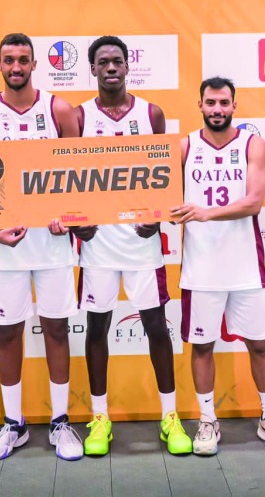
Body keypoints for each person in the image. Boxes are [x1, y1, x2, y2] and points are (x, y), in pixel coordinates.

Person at [0, 32, 84, 462]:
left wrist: (68, 217)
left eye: (23, 60)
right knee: (9, 330)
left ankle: (59, 420)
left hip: (51, 243)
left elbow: (78, 174)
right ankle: (13, 424)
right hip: (6, 245)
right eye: (8, 60)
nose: (16, 67)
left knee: (56, 329)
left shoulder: (58, 109)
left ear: (35, 64)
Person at [73, 36, 191, 456]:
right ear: (92, 68)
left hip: (142, 242)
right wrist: (76, 224)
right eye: (102, 62)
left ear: (127, 67)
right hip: (98, 242)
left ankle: (169, 416)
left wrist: (157, 216)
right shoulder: (79, 116)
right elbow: (66, 172)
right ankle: (100, 417)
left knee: (157, 327)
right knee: (97, 328)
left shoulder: (151, 112)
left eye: (117, 61)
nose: (110, 68)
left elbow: (163, 170)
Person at [170, 77, 265, 457]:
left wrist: (205, 213)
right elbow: (157, 191)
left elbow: (254, 202)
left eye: (224, 103)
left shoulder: (252, 144)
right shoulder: (184, 147)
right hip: (200, 267)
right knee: (202, 346)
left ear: (234, 106)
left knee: (260, 344)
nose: (217, 109)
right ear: (200, 105)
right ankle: (208, 420)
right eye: (210, 102)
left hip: (245, 265)